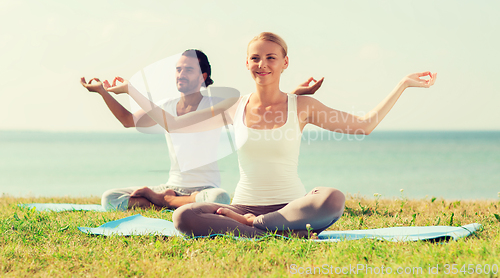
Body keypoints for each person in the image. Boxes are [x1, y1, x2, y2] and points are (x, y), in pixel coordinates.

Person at [106, 32, 437, 237]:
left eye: (270, 57)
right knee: (183, 217)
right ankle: (272, 231)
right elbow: (174, 124)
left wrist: (402, 85)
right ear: (246, 63)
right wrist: (131, 91)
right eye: (255, 57)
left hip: (290, 206)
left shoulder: (303, 105)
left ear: (284, 63)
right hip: (242, 205)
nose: (262, 63)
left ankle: (259, 228)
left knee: (332, 197)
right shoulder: (233, 107)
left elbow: (364, 125)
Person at [81, 49, 323, 211]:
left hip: (204, 191)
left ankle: (164, 202)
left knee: (220, 199)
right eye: (178, 69)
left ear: (202, 76)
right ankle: (168, 200)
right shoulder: (165, 106)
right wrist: (102, 91)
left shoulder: (214, 106)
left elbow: (259, 106)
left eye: (188, 70)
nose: (180, 74)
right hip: (173, 185)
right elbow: (127, 120)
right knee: (110, 199)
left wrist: (295, 95)